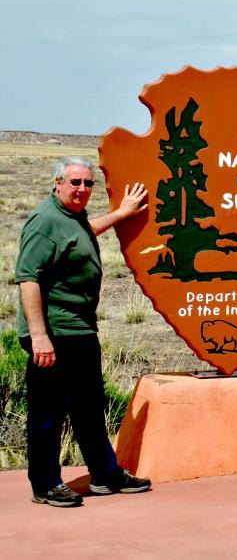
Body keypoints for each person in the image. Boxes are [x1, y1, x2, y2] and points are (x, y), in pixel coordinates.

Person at [15, 156, 151, 507]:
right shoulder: (45, 221)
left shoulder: (71, 218)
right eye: (75, 182)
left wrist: (122, 213)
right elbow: (29, 279)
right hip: (54, 333)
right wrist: (39, 335)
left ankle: (105, 474)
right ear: (57, 182)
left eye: (88, 184)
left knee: (90, 407)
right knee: (48, 412)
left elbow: (84, 233)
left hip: (80, 331)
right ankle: (45, 484)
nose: (81, 190)